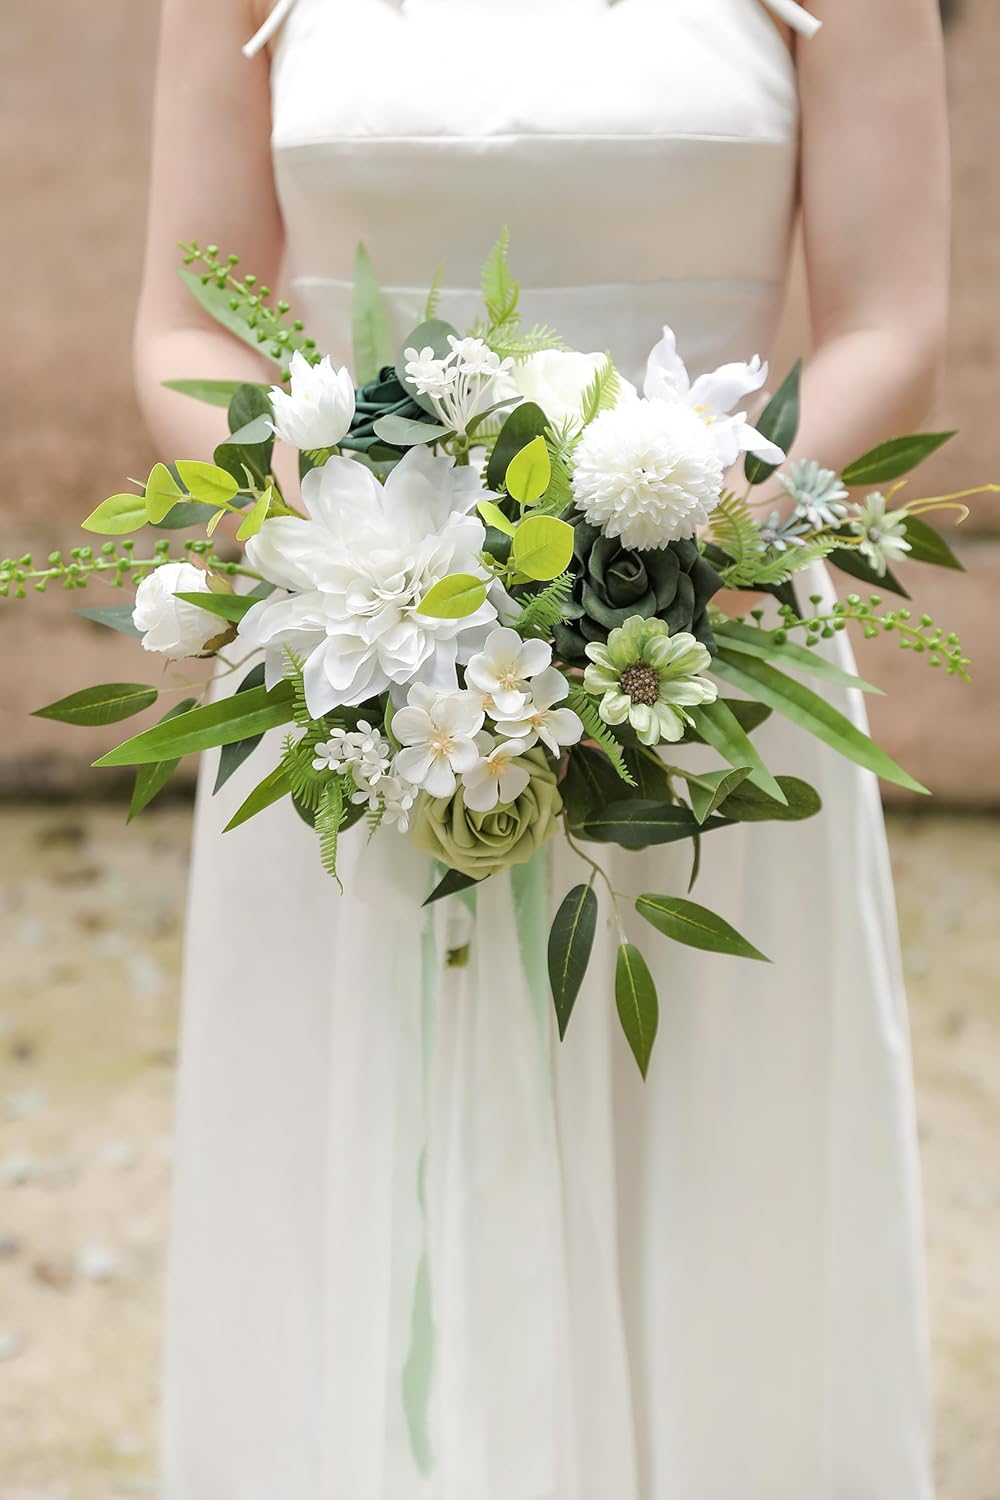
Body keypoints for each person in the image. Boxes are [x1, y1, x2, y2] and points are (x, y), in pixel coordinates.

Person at [134, 1, 949, 1495]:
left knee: (715, 1154)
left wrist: (706, 544)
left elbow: (894, 321)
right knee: (350, 1160)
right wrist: (303, 510)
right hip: (353, 644)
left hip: (706, 643)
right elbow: (184, 314)